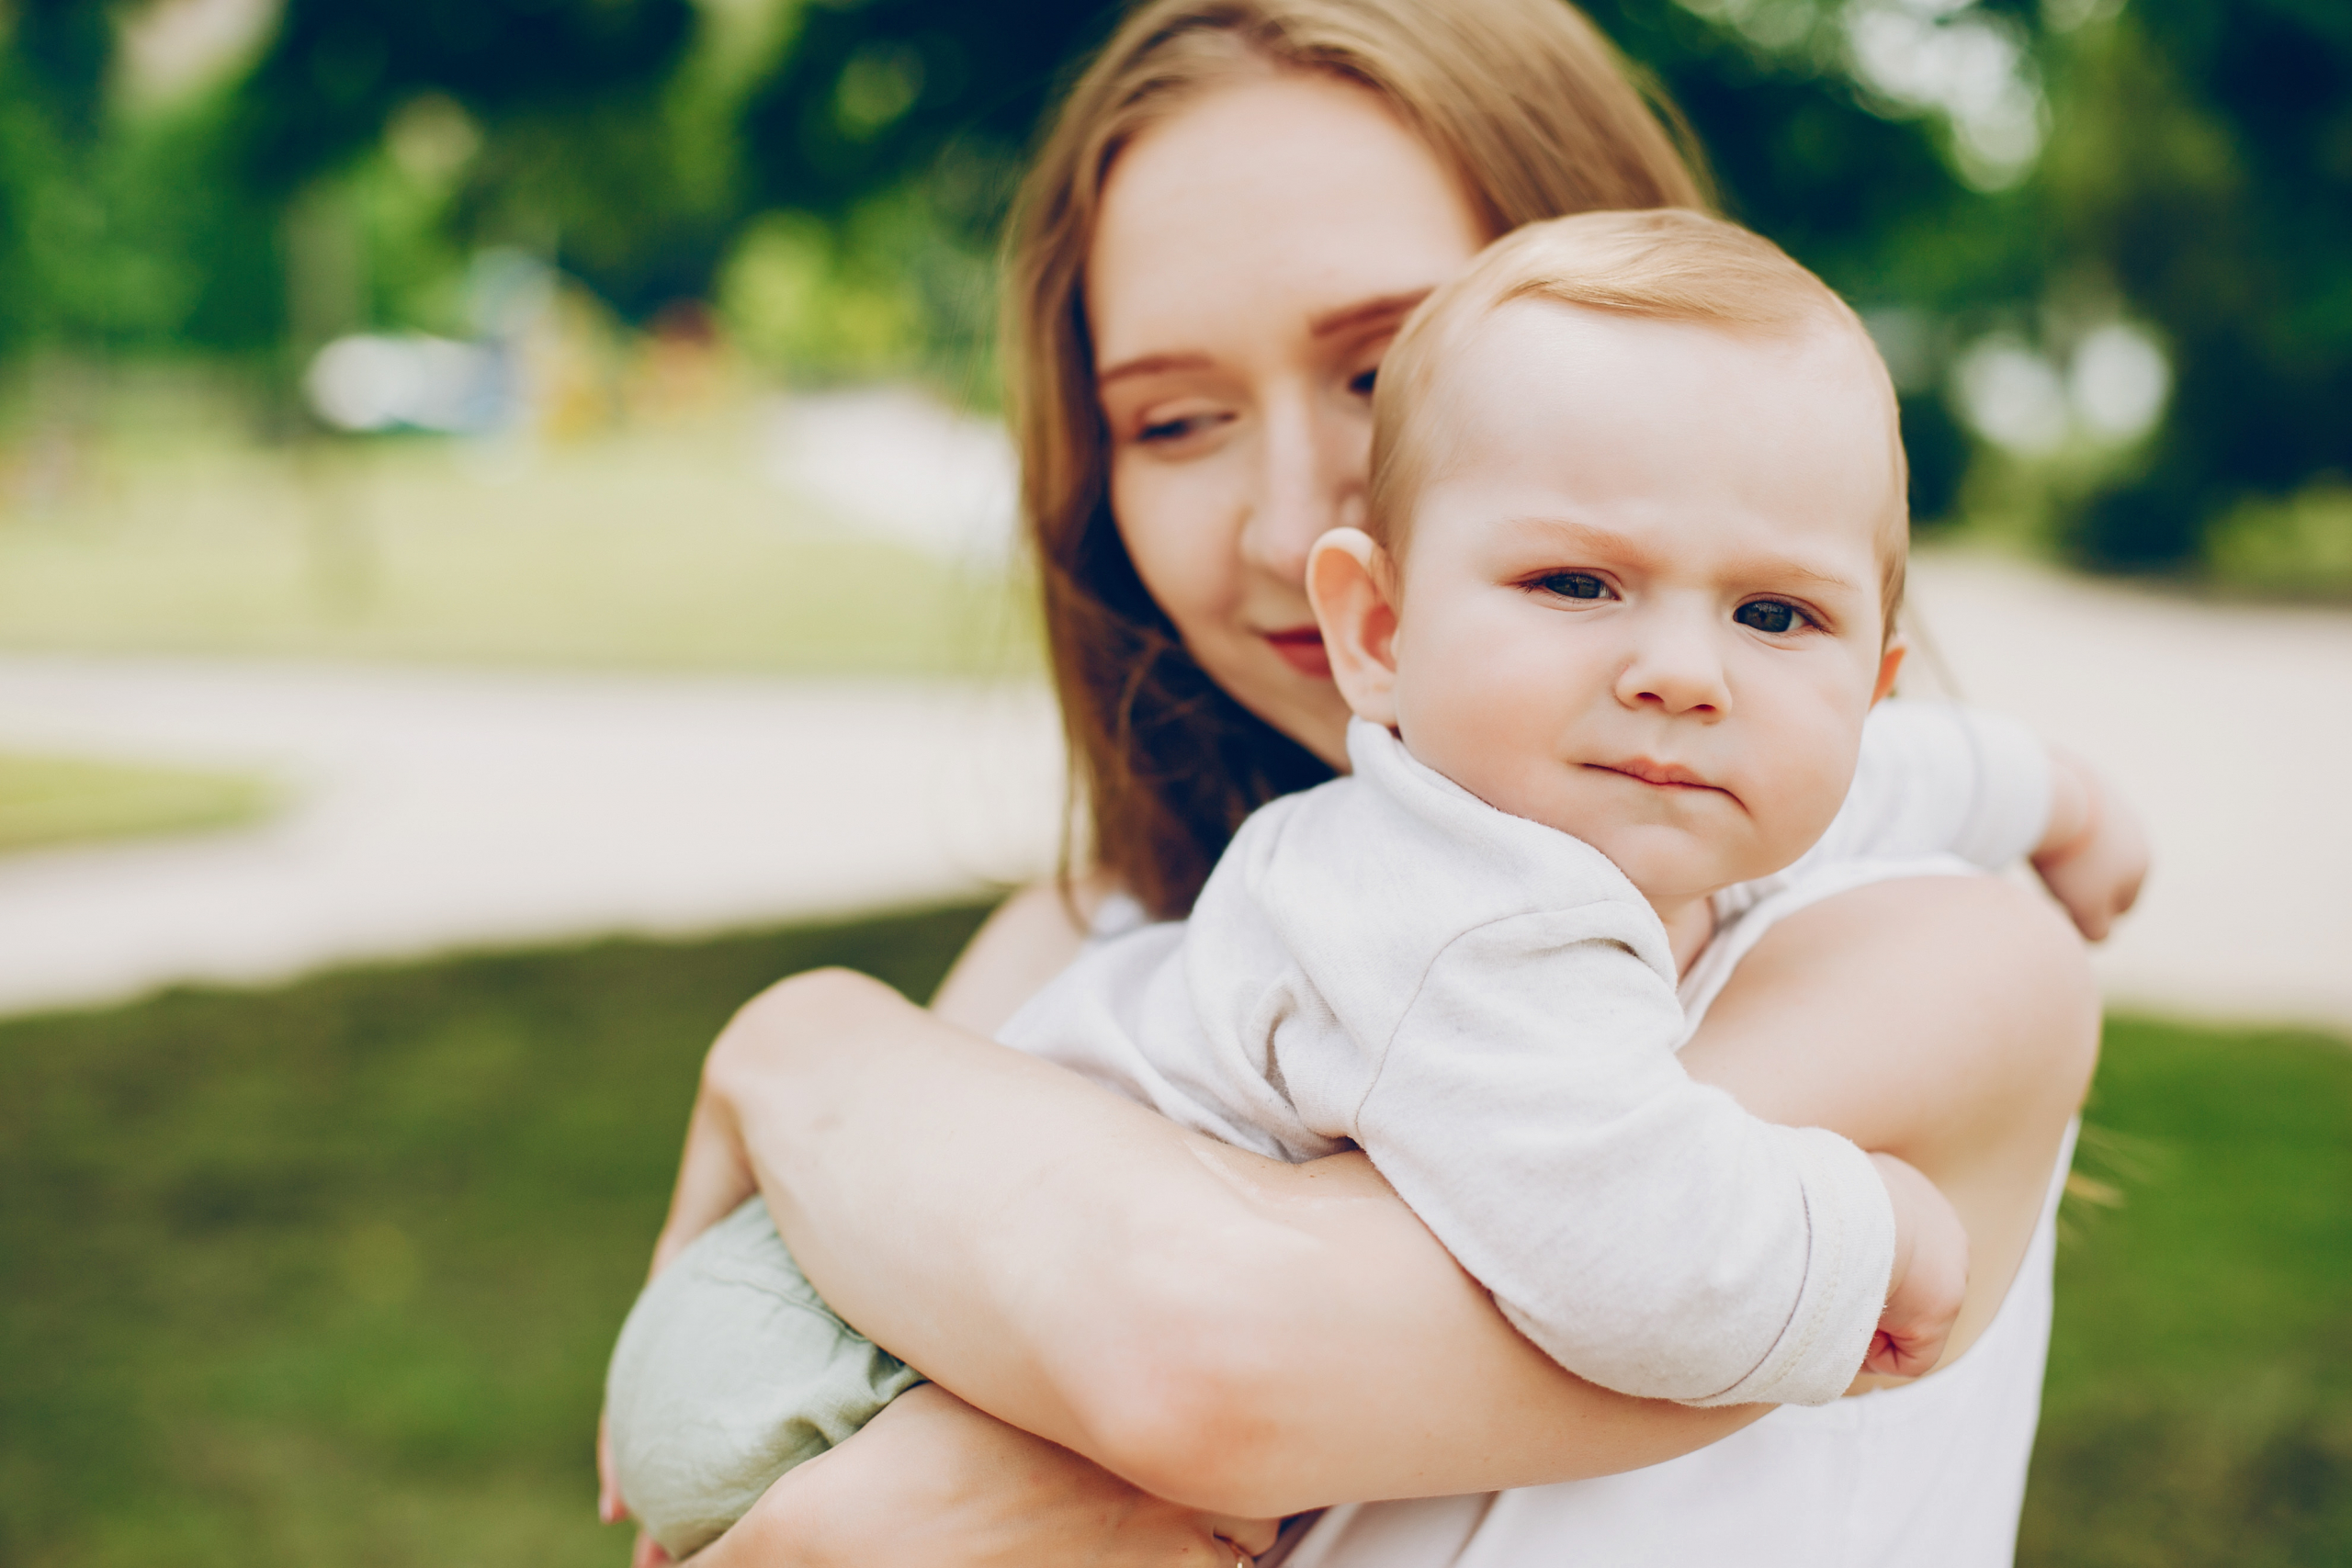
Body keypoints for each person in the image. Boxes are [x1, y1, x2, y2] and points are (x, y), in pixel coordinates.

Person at [600, 2, 2145, 1562]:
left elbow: (1213, 1362)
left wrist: (801, 1054)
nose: (1282, 525)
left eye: (1379, 370)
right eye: (1177, 419)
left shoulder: (1938, 958)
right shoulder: (1094, 934)